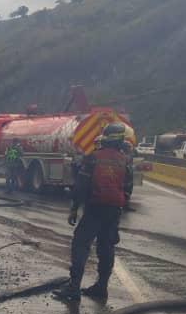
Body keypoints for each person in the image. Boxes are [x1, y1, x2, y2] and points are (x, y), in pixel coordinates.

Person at [53, 122, 133, 303]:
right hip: (114, 210)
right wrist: (119, 208)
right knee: (106, 247)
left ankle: (73, 288)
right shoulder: (125, 160)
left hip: (95, 208)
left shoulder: (93, 157)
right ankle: (101, 287)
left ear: (105, 138)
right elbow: (128, 187)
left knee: (81, 244)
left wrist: (74, 208)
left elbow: (81, 186)